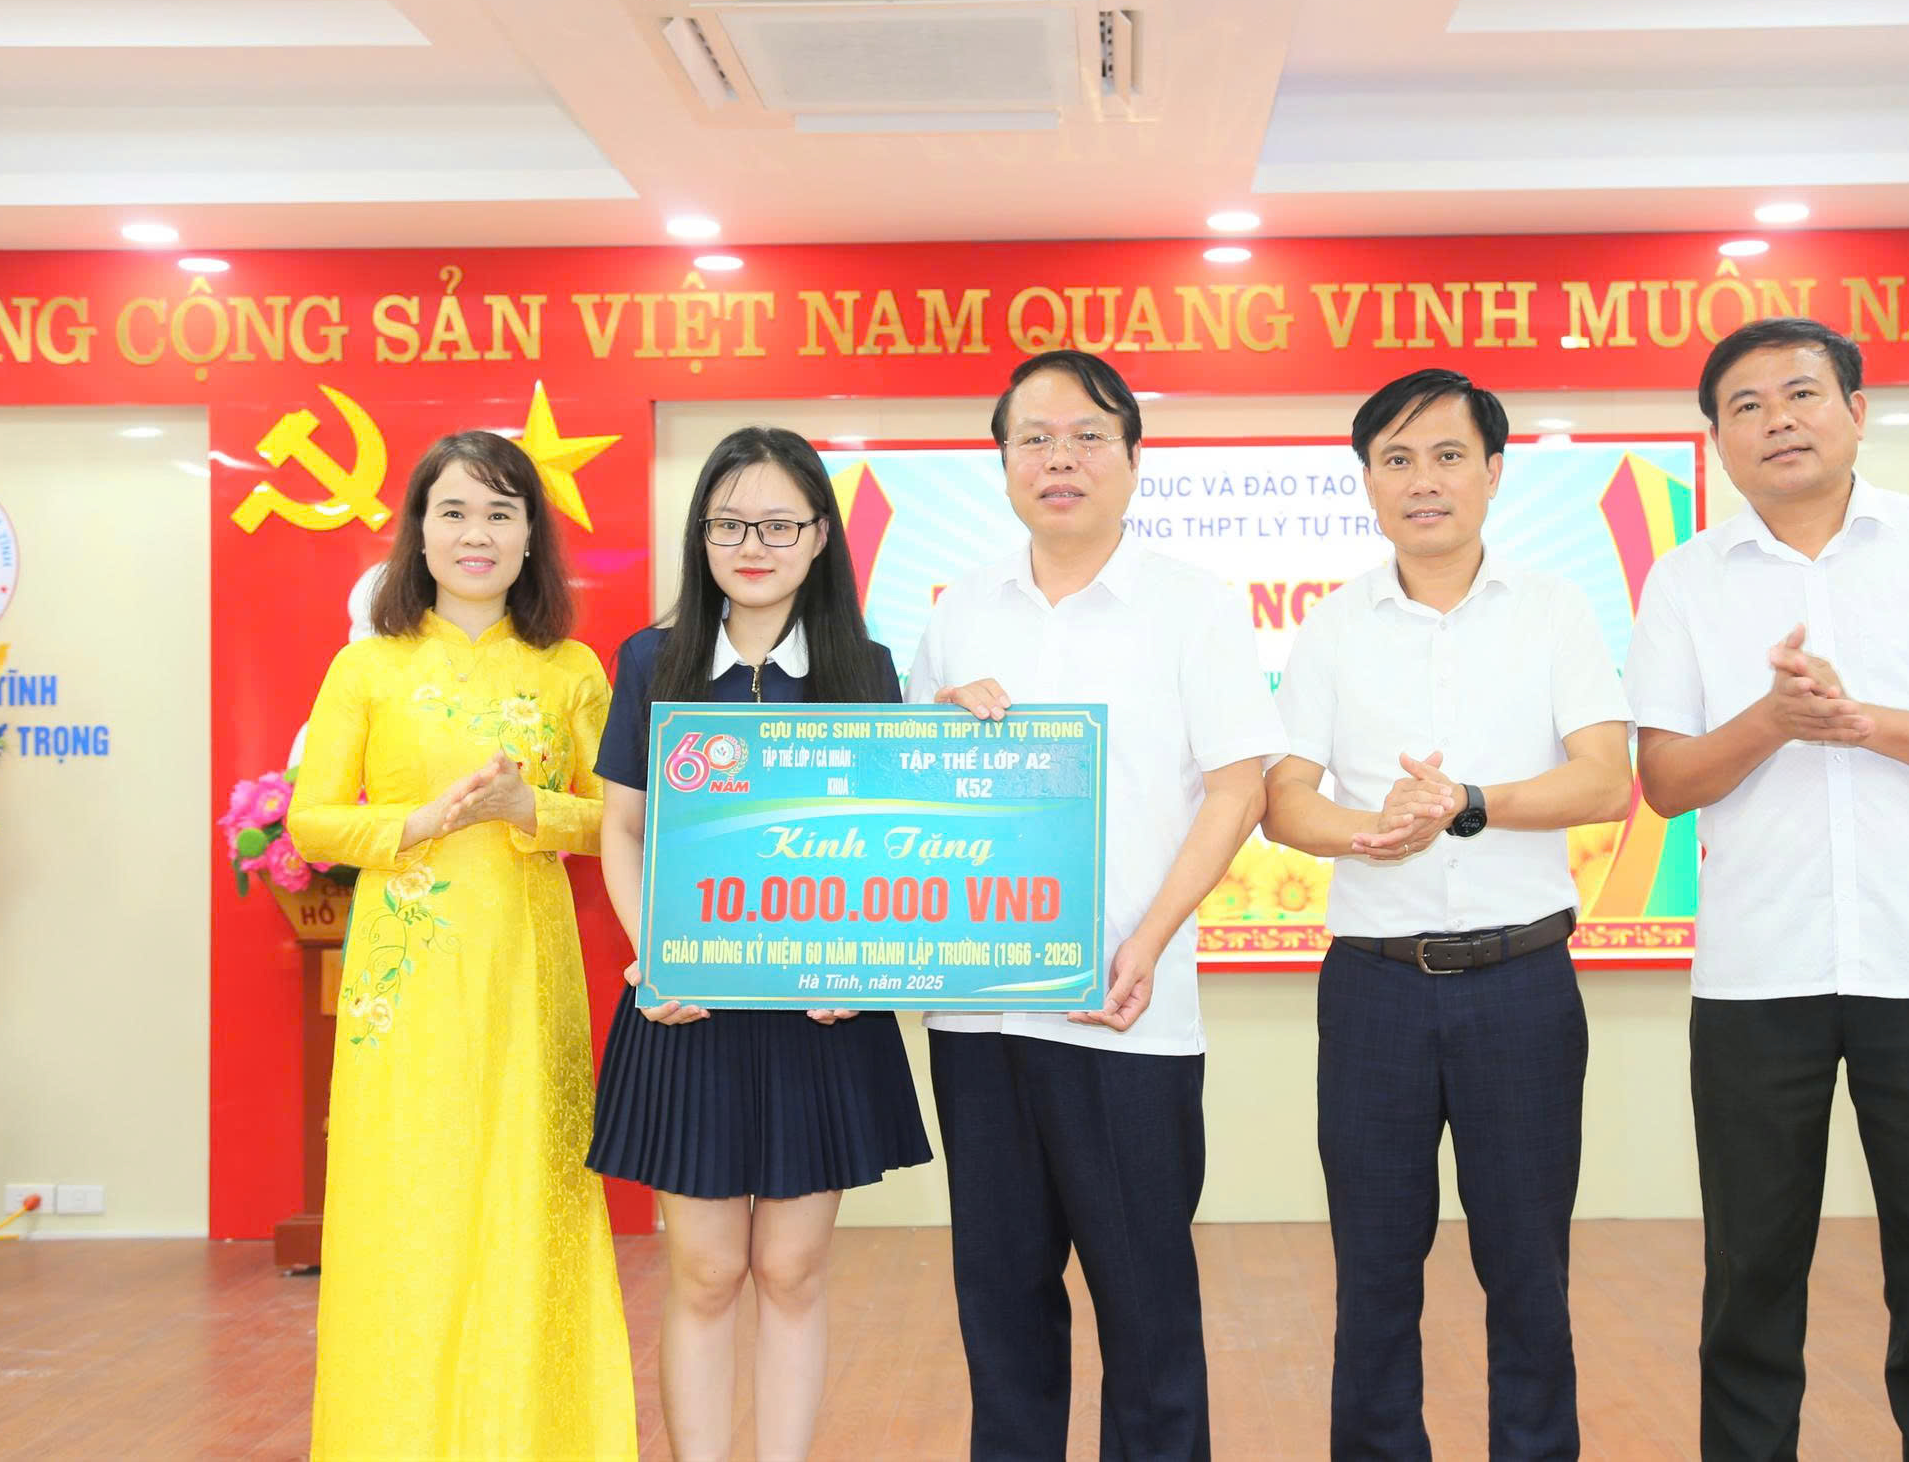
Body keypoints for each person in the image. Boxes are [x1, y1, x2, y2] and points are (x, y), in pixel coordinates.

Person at [1623, 317, 1909, 1462]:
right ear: (1716, 438)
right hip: (1755, 977)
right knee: (1750, 1272)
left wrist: (1860, 721)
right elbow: (1666, 782)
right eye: (1746, 405)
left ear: (1856, 412)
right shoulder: (1684, 580)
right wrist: (1774, 720)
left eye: (1801, 394)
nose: (1777, 420)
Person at [911, 349, 1285, 1462]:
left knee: (1147, 1308)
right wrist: (935, 723)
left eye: (1086, 437)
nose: (1059, 459)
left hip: (1128, 1012)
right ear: (1002, 462)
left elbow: (1240, 787)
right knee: (1001, 1308)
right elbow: (909, 791)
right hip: (978, 1016)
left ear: (1131, 457)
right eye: (1034, 438)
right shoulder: (960, 609)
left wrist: (1148, 941)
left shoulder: (1193, 606)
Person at [1261, 368, 1632, 1462]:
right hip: (1373, 989)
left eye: (1447, 455)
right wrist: (1368, 831)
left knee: (1528, 1268)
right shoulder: (1332, 626)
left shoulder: (1555, 610)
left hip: (1523, 985)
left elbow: (1605, 780)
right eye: (1397, 459)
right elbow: (1285, 801)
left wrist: (1468, 803)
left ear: (1494, 472)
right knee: (1374, 1269)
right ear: (1368, 482)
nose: (1423, 480)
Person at [585, 426, 931, 1462]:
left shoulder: (865, 670)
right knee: (703, 1273)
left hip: (820, 1016)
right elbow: (622, 829)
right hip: (686, 1007)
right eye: (730, 523)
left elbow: (885, 839)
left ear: (821, 535)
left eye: (779, 524)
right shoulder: (653, 660)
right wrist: (657, 953)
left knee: (790, 1269)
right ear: (701, 535)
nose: (753, 545)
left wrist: (860, 961)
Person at [290, 429, 634, 1460]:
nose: (475, 534)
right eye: (453, 512)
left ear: (531, 536)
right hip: (405, 982)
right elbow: (312, 821)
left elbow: (624, 817)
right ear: (420, 532)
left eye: (499, 512)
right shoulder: (368, 666)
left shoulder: (570, 670)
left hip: (529, 973)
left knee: (529, 1196)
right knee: (408, 1203)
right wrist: (416, 823)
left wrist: (534, 808)